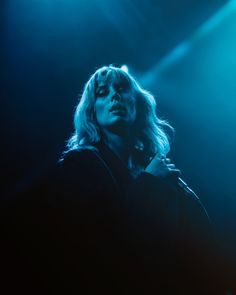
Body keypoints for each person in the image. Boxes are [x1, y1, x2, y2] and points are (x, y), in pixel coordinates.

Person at [1, 65, 228, 294]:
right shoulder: (80, 164)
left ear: (137, 104)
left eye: (121, 89)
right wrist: (151, 183)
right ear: (92, 110)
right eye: (103, 92)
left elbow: (195, 235)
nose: (114, 95)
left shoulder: (154, 165)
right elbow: (101, 243)